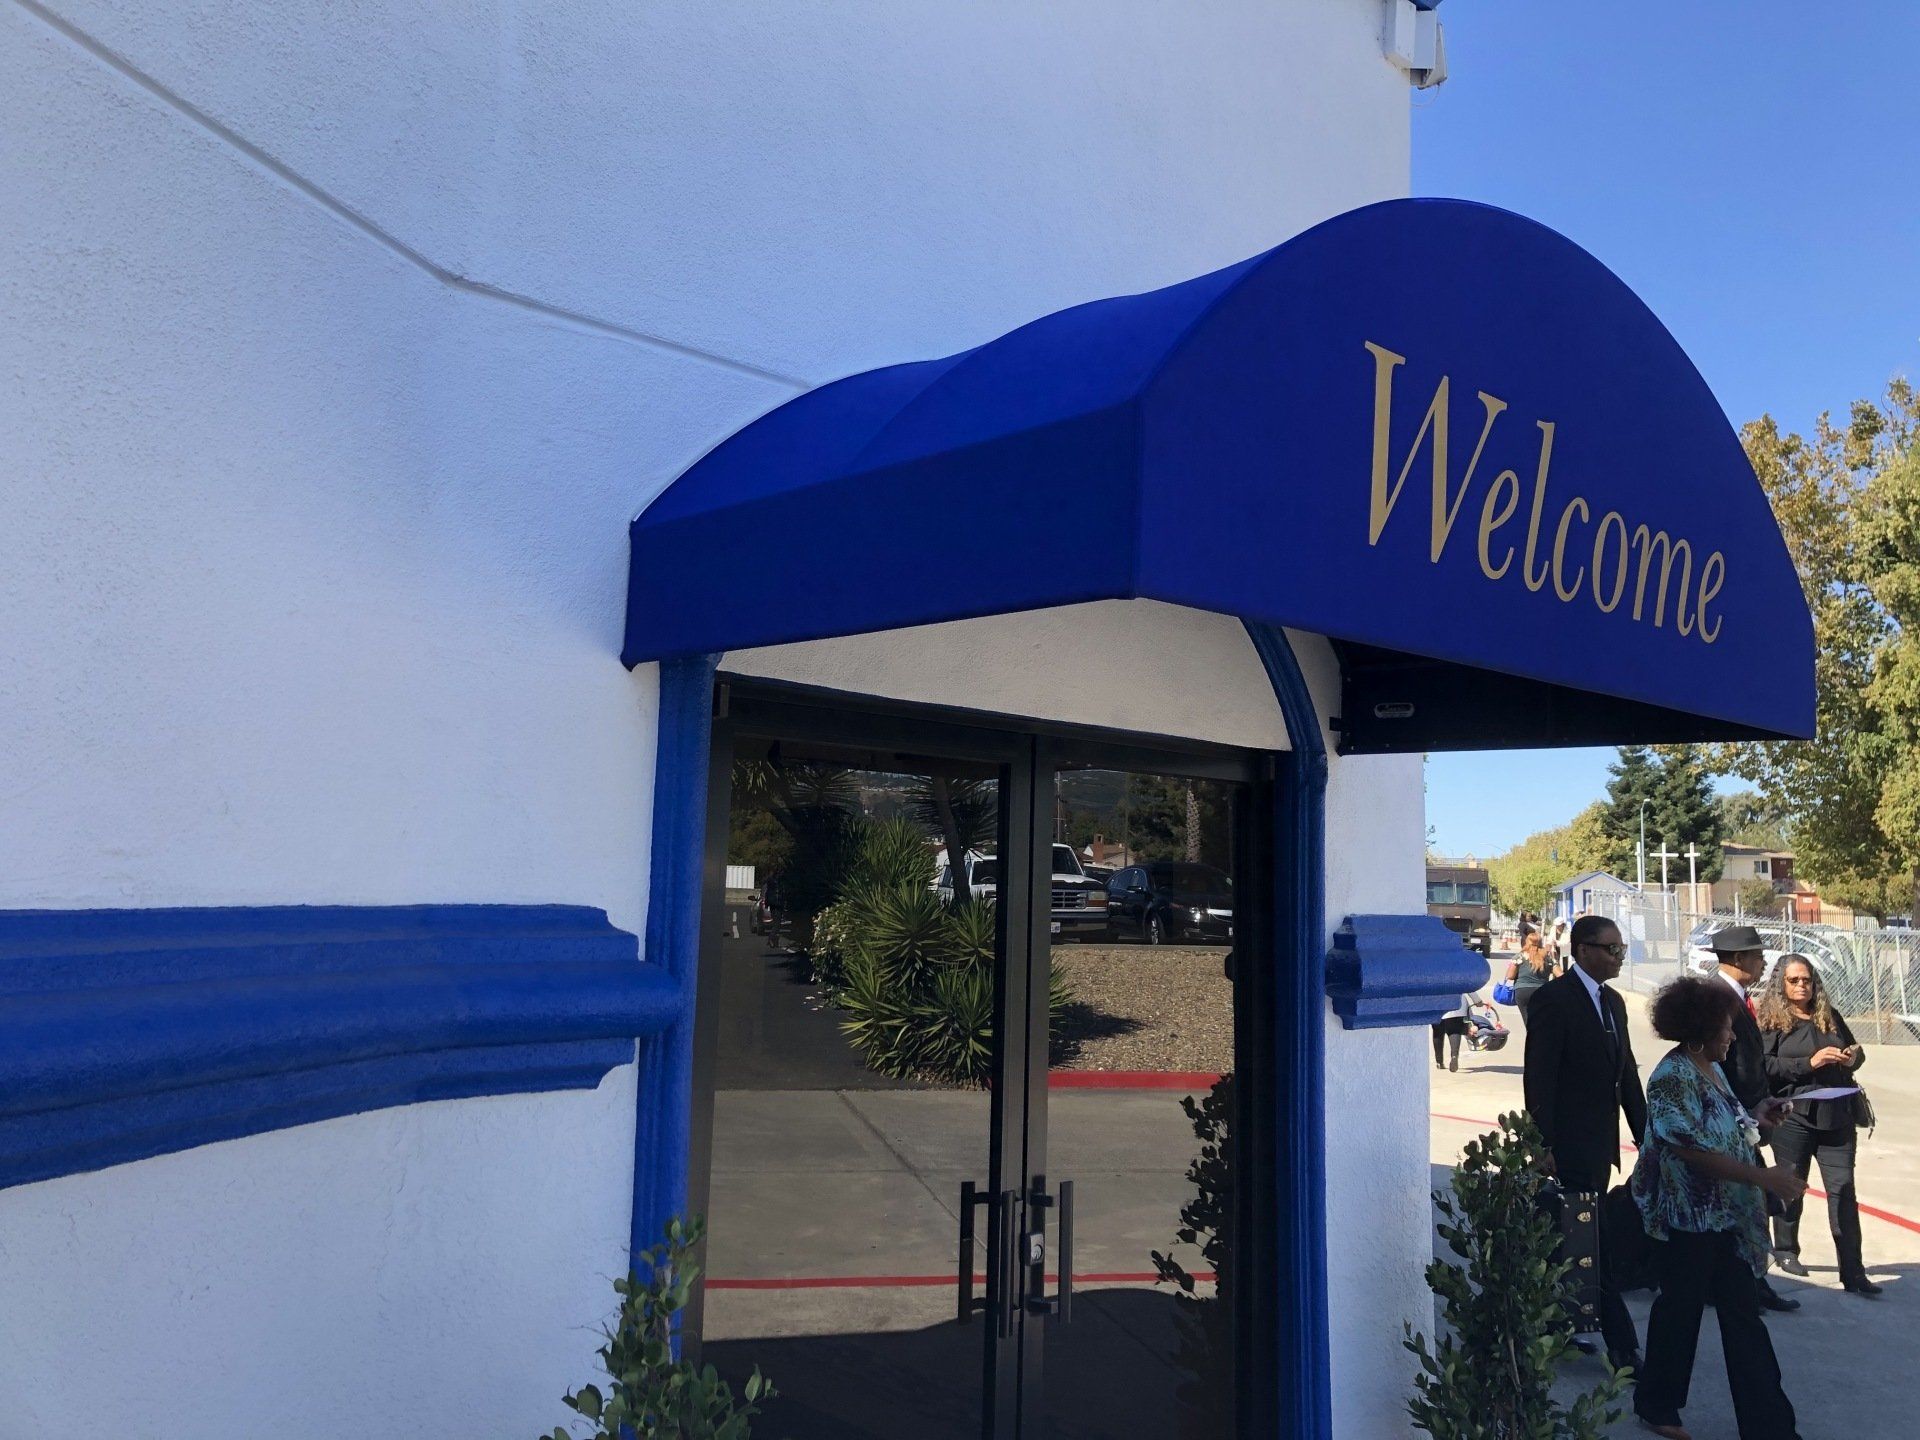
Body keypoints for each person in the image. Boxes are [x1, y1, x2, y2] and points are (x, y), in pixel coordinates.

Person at [1631, 976, 1807, 1440]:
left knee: (1743, 1319)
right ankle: (1657, 1404)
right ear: (1698, 1033)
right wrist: (1763, 1178)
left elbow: (1730, 1126)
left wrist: (1761, 1117)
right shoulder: (1671, 1077)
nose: (1732, 1036)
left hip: (1726, 1217)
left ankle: (1770, 1427)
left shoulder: (1712, 1067)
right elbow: (1689, 1149)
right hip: (1688, 1219)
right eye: (1726, 1029)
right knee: (1679, 1313)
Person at [1523, 914, 1647, 1373]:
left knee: (1573, 1241)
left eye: (1621, 949)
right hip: (1567, 1148)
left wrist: (1647, 1135)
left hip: (1600, 1146)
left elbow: (1626, 1074)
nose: (1618, 957)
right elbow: (1539, 1076)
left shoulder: (1613, 1002)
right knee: (1594, 1242)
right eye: (1611, 949)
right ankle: (1623, 1347)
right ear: (1582, 950)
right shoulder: (1554, 1000)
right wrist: (1541, 1143)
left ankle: (1556, 1324)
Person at [1759, 955, 1880, 1296]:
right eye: (1794, 980)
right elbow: (1765, 1066)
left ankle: (1853, 1271)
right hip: (1793, 1116)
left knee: (1843, 1191)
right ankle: (1785, 1250)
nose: (1802, 986)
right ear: (1781, 984)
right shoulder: (1771, 1022)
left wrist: (1851, 1056)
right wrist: (1809, 1063)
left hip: (1837, 1118)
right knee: (1791, 1185)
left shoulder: (1829, 1016)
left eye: (1807, 980)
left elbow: (1856, 1051)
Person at [1707, 926, 1801, 1314]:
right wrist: (1747, 1111)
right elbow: (1721, 1067)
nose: (1764, 964)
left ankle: (1750, 1284)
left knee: (1749, 1208)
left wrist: (1764, 1101)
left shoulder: (1738, 998)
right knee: (1744, 1208)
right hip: (1732, 1123)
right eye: (1758, 957)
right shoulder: (1717, 1000)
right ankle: (1743, 1287)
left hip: (1750, 1115)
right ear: (1739, 959)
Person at [1506, 926, 1554, 1022]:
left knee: (1528, 1019)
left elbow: (1510, 976)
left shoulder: (1519, 957)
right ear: (1541, 943)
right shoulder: (1547, 958)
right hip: (1542, 990)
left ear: (1527, 942)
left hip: (1523, 991)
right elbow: (1560, 974)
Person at [1432, 992, 1473, 1071]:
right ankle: (1454, 1056)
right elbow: (1470, 986)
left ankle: (1439, 1062)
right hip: (1457, 1006)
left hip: (1436, 1005)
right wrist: (1477, 1000)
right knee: (1455, 1031)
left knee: (1438, 1033)